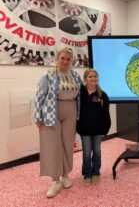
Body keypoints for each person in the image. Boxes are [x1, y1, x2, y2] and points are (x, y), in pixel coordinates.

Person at [33, 47, 83, 198]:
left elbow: (82, 93)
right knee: (53, 145)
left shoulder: (75, 75)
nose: (65, 61)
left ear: (71, 60)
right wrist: (37, 116)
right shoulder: (49, 75)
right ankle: (55, 180)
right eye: (63, 58)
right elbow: (39, 95)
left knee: (68, 143)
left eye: (68, 59)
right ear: (58, 58)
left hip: (71, 108)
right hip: (51, 109)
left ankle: (65, 175)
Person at [76, 69, 111, 186]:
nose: (93, 78)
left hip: (97, 129)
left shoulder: (102, 95)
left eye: (95, 76)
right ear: (86, 78)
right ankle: (87, 174)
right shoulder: (79, 92)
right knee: (86, 153)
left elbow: (106, 113)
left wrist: (106, 128)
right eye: (90, 77)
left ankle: (96, 172)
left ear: (98, 78)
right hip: (84, 129)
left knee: (97, 151)